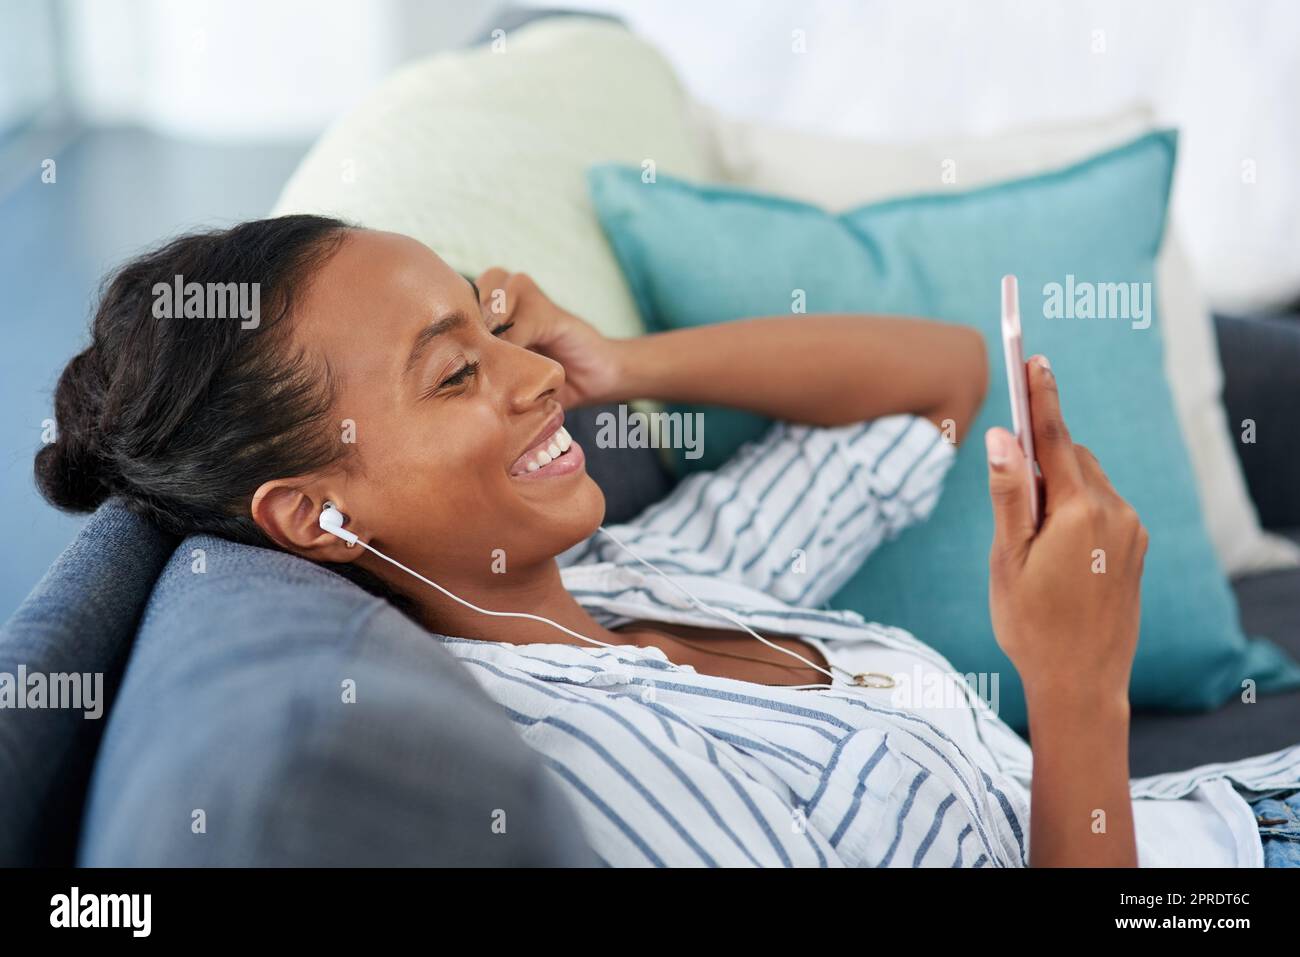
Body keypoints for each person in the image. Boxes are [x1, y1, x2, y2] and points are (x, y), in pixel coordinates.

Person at [36, 215, 1300, 866]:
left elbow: (939, 380)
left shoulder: (626, 573)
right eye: (449, 378)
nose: (526, 375)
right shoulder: (596, 775)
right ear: (316, 516)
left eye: (491, 330)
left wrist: (623, 363)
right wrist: (1076, 696)